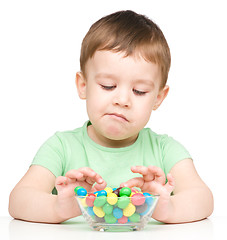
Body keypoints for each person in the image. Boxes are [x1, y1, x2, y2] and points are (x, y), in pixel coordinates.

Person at [8, 10, 213, 224]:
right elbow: (18, 200)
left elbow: (203, 198)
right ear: (83, 85)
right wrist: (60, 207)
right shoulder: (61, 147)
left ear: (158, 98)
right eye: (108, 86)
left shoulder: (166, 150)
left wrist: (167, 208)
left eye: (139, 91)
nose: (122, 100)